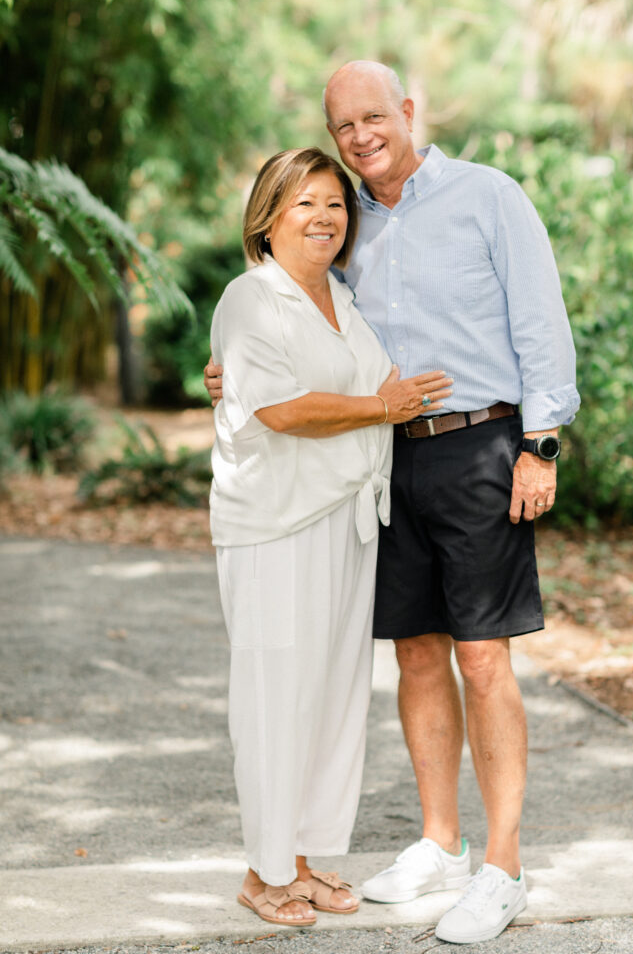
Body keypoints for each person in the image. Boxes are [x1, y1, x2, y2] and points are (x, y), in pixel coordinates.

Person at [205, 62, 580, 944]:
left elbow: (539, 322)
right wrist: (229, 375)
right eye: (343, 126)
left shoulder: (488, 196)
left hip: (483, 446)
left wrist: (541, 445)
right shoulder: (343, 221)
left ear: (408, 111)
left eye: (374, 116)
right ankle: (440, 846)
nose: (360, 135)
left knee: (483, 659)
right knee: (415, 656)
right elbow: (292, 339)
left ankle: (503, 866)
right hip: (384, 463)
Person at [210, 145, 451, 929]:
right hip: (275, 525)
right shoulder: (252, 300)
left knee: (333, 699)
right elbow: (284, 410)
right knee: (275, 695)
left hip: (348, 525)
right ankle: (262, 871)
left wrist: (371, 402)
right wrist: (380, 408)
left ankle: (308, 861)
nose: (323, 217)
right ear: (267, 217)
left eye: (335, 204)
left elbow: (341, 392)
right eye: (304, 202)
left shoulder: (340, 302)